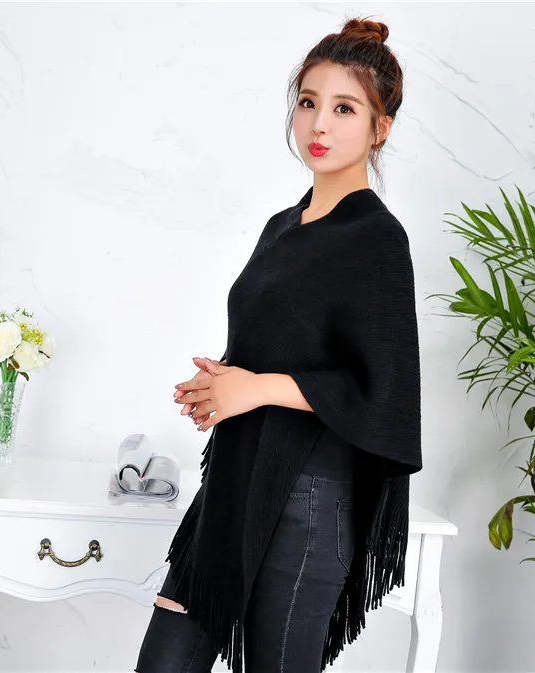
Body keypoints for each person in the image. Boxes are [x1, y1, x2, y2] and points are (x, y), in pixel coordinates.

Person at [135, 15, 421, 673]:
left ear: (380, 128)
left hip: (309, 499)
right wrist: (224, 384)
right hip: (235, 483)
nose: (320, 124)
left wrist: (257, 388)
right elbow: (285, 348)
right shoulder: (281, 226)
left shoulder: (377, 239)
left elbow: (382, 392)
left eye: (345, 108)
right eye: (308, 102)